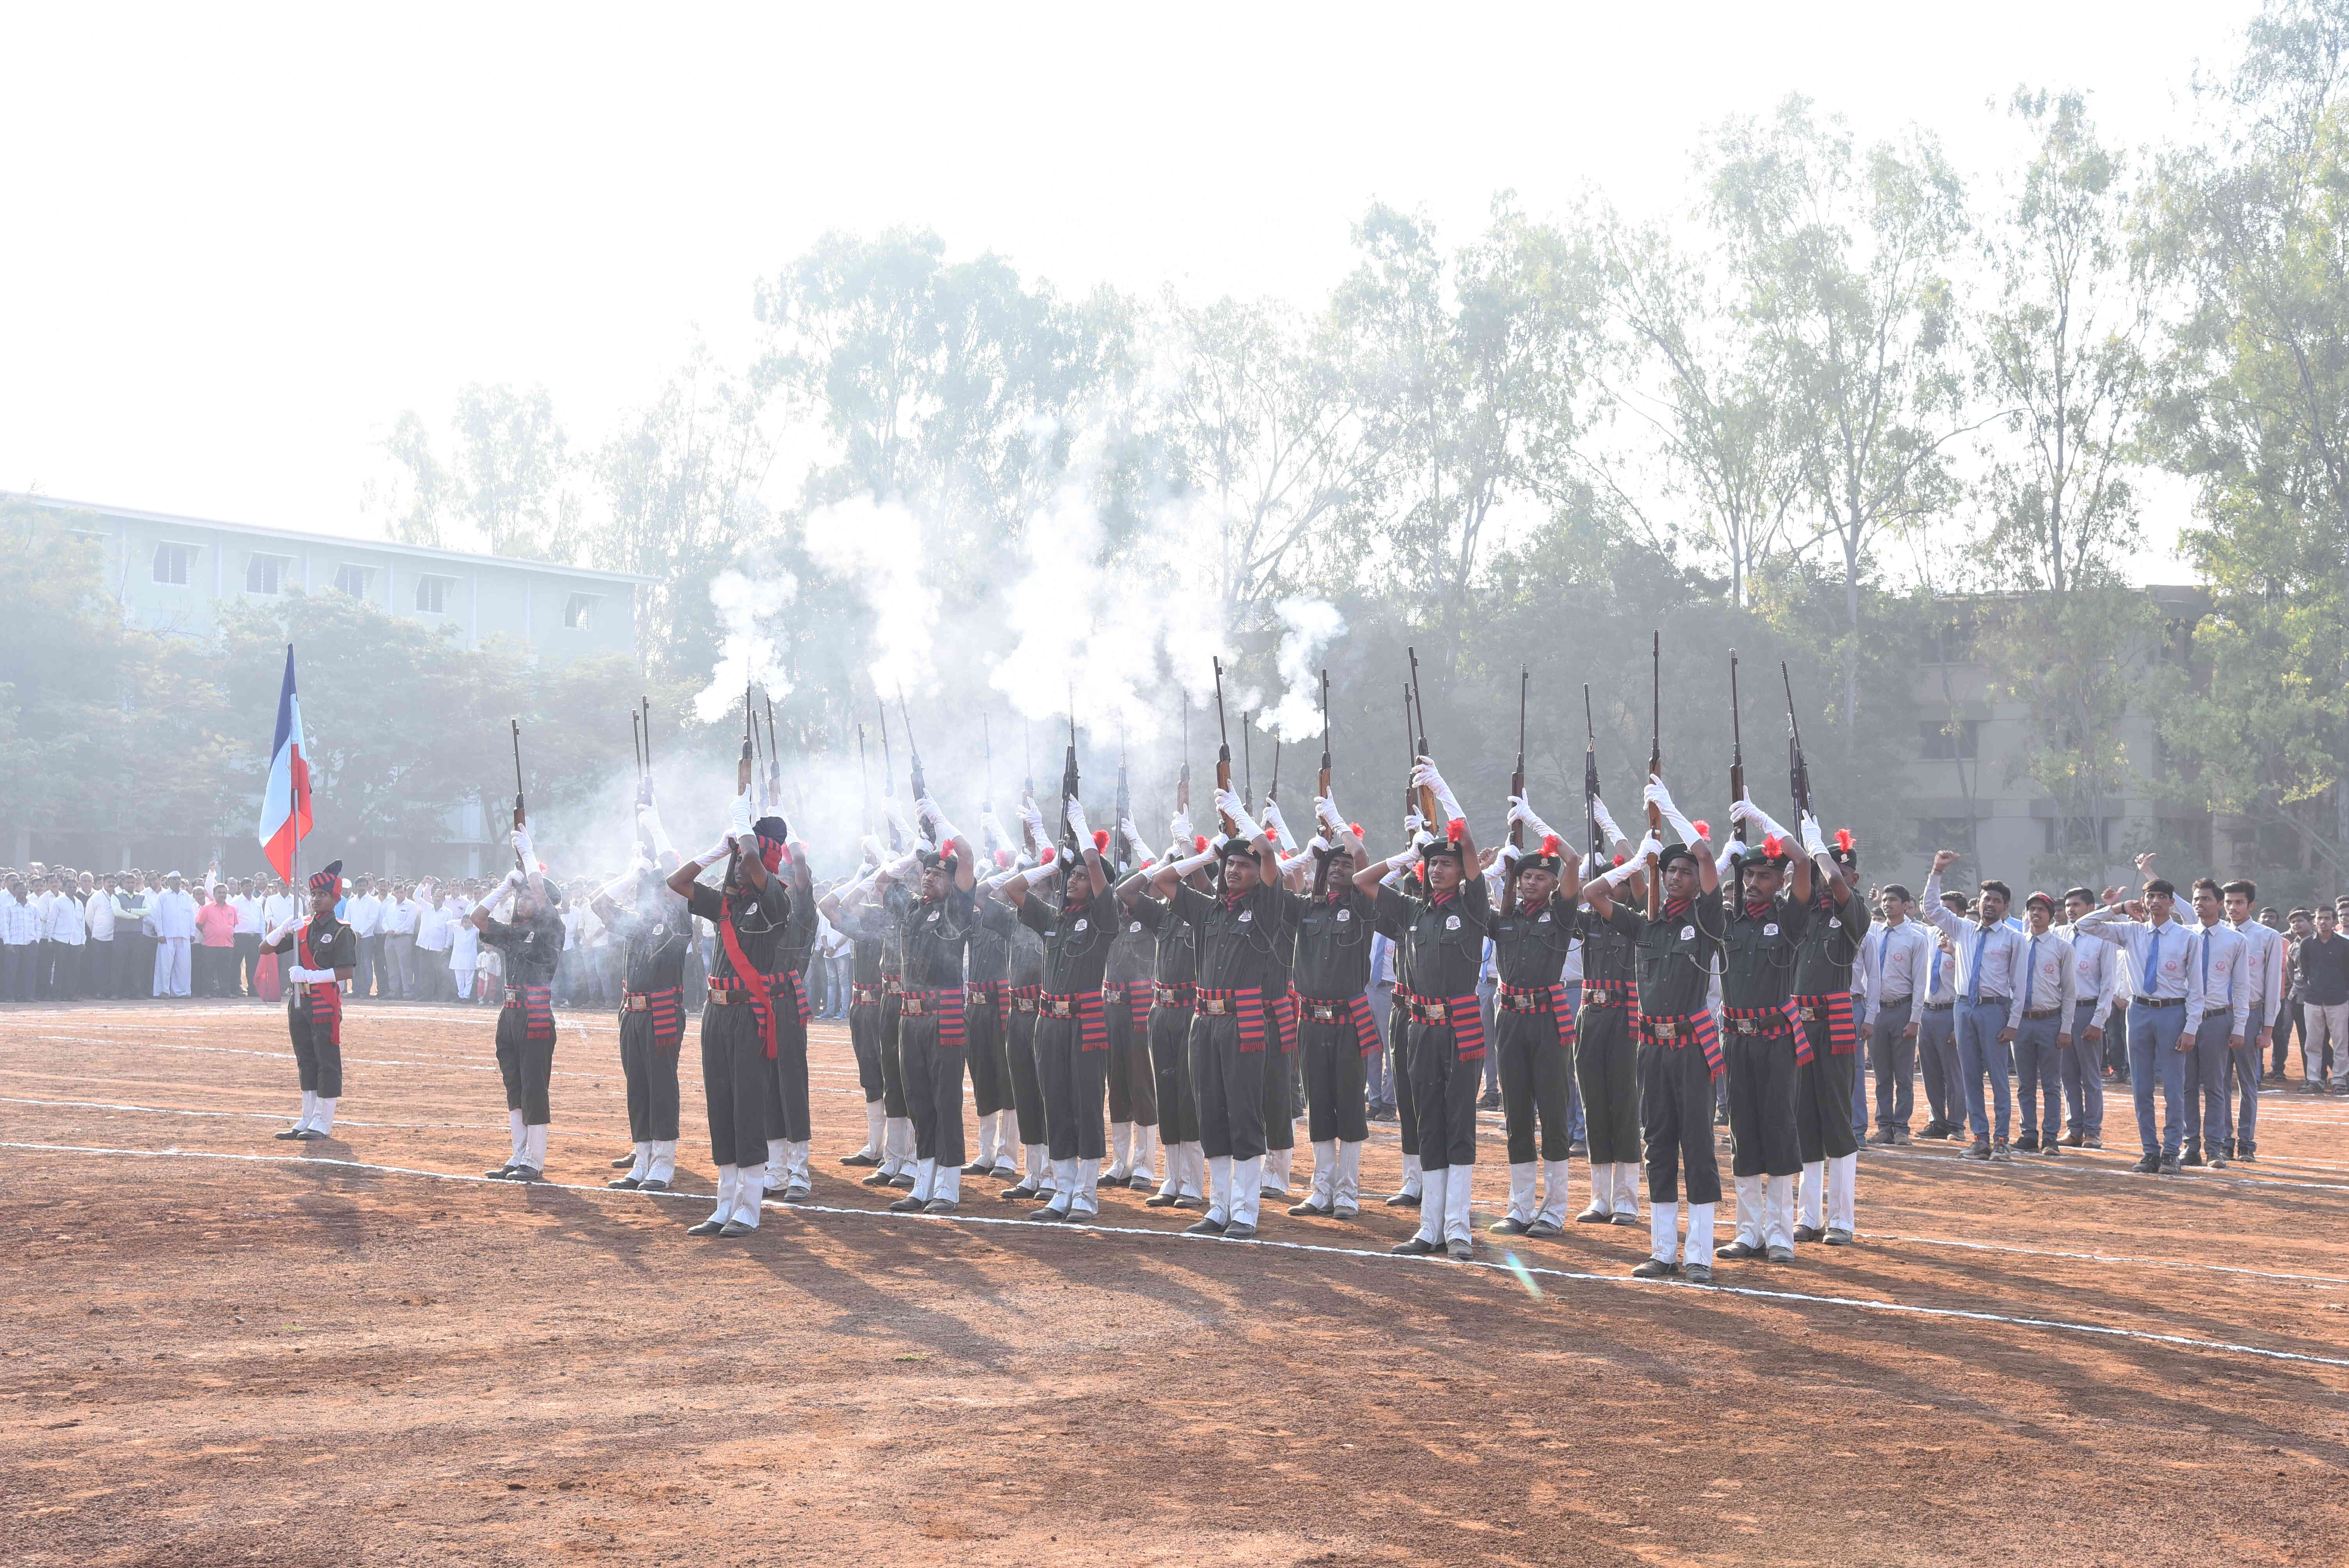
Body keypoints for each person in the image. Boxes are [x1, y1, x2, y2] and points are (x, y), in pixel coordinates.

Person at [1580, 784, 1724, 1285]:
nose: (1676, 877)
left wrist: (1670, 809)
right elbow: (1593, 894)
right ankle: (1663, 1251)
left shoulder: (1706, 921)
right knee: (1657, 1144)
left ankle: (1700, 1254)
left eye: (1684, 871)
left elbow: (1706, 856)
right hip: (1652, 1048)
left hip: (1691, 1047)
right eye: (1669, 871)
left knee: (1697, 1145)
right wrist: (1638, 859)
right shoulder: (1646, 926)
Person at [1356, 759, 1488, 1263]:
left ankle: (1457, 1228)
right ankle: (1429, 1227)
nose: (1437, 870)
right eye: (1431, 864)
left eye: (1446, 864)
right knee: (1427, 1122)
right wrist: (1405, 854)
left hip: (1460, 1027)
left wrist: (1443, 790)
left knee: (1459, 1125)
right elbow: (1364, 881)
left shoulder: (1472, 908)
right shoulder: (1412, 910)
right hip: (1419, 1028)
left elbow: (1469, 846)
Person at [1150, 796, 1287, 1239]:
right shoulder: (1207, 908)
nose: (1234, 870)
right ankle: (1219, 1207)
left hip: (1243, 1021)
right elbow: (1161, 879)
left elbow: (1270, 857)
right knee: (1210, 1112)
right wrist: (1207, 854)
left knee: (1243, 1113)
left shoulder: (1265, 908)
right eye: (1229, 864)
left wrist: (1244, 821)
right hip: (1203, 1022)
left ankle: (1246, 1210)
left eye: (1243, 865)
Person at [667, 796, 789, 1236]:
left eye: (742, 858)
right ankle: (723, 1205)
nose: (739, 864)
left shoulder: (776, 901)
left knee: (748, 1107)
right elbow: (677, 881)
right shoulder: (726, 904)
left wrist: (743, 827)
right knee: (720, 1105)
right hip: (716, 1015)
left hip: (748, 1016)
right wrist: (718, 849)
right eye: (734, 860)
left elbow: (754, 858)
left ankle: (750, 1207)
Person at [999, 793, 1119, 1222]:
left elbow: (1099, 872)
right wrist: (1054, 866)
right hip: (1049, 1023)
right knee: (1056, 1104)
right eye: (1072, 877)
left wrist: (1083, 835)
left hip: (1085, 1024)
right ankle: (1063, 1190)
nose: (1074, 882)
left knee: (1086, 1105)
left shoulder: (1104, 919)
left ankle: (1086, 1193)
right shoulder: (1053, 918)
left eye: (1082, 878)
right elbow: (1012, 888)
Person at [1706, 797, 1815, 1262]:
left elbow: (1804, 862)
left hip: (1775, 1039)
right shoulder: (1725, 921)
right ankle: (1747, 1232)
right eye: (1748, 874)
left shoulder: (1787, 920)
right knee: (1742, 1132)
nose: (1753, 882)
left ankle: (1780, 1234)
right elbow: (1695, 894)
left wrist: (1757, 816)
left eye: (1764, 876)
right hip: (1736, 1039)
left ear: (1779, 881)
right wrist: (1721, 858)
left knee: (1779, 1129)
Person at [1477, 803, 1584, 1239]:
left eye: (1540, 876)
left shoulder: (1560, 915)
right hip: (1511, 1020)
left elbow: (1574, 862)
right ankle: (1519, 1207)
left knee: (1554, 1113)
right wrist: (1489, 868)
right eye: (1524, 876)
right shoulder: (1504, 918)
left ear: (1553, 883)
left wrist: (1535, 820)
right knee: (1517, 1114)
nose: (1530, 881)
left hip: (1547, 1019)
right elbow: (1469, 898)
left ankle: (1554, 1209)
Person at [1278, 800, 1380, 1222]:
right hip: (1310, 1020)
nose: (1338, 867)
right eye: (1332, 863)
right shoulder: (1306, 907)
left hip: (1348, 1020)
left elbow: (1364, 860)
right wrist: (1309, 851)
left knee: (1349, 1105)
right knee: (1319, 1103)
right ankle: (1321, 1189)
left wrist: (1338, 825)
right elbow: (1276, 882)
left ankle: (1347, 1191)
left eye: (1344, 864)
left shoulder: (1362, 906)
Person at [2073, 864, 2204, 1174]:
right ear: (2143, 901)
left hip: (2173, 1011)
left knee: (2173, 1085)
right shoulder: (2130, 932)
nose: (2155, 902)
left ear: (2172, 902)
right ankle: (2150, 1152)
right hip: (2139, 1011)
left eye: (2162, 897)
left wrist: (2191, 1027)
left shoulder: (2187, 938)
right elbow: (2083, 924)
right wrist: (2118, 908)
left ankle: (2171, 1152)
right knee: (2141, 1085)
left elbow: (2198, 988)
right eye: (2150, 897)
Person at [890, 796, 978, 1213]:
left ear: (951, 881)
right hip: (910, 1018)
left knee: (945, 1101)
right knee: (918, 1100)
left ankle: (948, 1185)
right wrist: (914, 852)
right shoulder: (914, 909)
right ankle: (922, 1182)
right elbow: (880, 885)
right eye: (926, 872)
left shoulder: (956, 910)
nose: (928, 877)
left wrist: (940, 819)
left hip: (944, 1017)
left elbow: (967, 857)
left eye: (937, 873)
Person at [593, 834, 690, 1194]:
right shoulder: (635, 923)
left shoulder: (679, 922)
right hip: (631, 1013)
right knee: (637, 1086)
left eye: (654, 889)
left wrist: (656, 833)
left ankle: (663, 1162)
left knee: (661, 1085)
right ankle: (642, 1159)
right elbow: (600, 904)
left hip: (662, 1011)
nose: (646, 895)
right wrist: (634, 873)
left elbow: (680, 888)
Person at [1919, 854, 2030, 1162]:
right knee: (1970, 1076)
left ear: (2006, 907)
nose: (1990, 904)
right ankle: (1980, 1139)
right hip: (1963, 1008)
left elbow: (2020, 985)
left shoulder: (2014, 939)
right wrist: (1937, 871)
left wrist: (2013, 1023)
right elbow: (1931, 909)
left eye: (1996, 901)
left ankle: (2002, 1140)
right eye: (1986, 899)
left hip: (1995, 1010)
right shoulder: (1963, 930)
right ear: (1978, 903)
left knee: (1998, 1077)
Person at [468, 836, 567, 1184]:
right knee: (514, 1086)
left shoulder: (551, 929)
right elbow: (478, 917)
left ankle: (534, 1161)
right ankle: (518, 1154)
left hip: (535, 1014)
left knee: (534, 1088)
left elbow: (540, 894)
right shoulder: (515, 932)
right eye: (520, 896)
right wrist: (504, 887)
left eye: (528, 897)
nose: (523, 900)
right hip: (509, 1014)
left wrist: (528, 854)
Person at [1125, 816, 1208, 1210]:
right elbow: (1125, 892)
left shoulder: (1206, 909)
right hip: (1161, 1010)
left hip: (1191, 1010)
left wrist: (1189, 850)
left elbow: (1202, 885)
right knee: (1168, 1094)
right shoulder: (1163, 913)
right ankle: (1172, 1179)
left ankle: (1192, 1182)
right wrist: (1157, 862)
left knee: (1189, 1098)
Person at [262, 861, 358, 1139]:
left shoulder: (341, 931)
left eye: (323, 895)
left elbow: (347, 971)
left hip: (323, 1002)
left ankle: (323, 1121)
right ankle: (307, 1118)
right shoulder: (302, 927)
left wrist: (310, 976)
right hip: (299, 1002)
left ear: (335, 899)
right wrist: (282, 929)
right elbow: (265, 948)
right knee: (305, 1059)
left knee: (327, 1060)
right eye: (313, 894)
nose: (316, 899)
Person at [1101, 826, 1163, 1194]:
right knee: (1118, 1088)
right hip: (1113, 1010)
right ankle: (1120, 1162)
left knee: (1142, 1088)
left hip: (1141, 1010)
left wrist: (1140, 847)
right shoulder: (1113, 922)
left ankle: (1144, 1165)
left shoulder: (1153, 918)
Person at [2179, 878, 2250, 1169]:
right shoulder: (2183, 935)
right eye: (2196, 899)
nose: (2200, 903)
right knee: (2186, 1085)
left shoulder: (2236, 940)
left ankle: (2216, 1148)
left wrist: (2240, 1026)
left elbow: (2242, 986)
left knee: (2216, 1086)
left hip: (2217, 1019)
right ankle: (2190, 1146)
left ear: (2220, 904)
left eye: (2206, 899)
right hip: (2184, 1020)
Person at [2007, 893, 2078, 1159]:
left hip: (2050, 1021)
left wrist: (2066, 1028)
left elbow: (2069, 991)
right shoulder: (2017, 944)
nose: (2036, 914)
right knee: (2025, 1084)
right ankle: (2028, 1134)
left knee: (2051, 1084)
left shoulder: (2062, 948)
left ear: (2051, 915)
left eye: (2041, 910)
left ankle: (2050, 1137)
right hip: (2022, 1021)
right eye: (2032, 909)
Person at [1861, 884, 1931, 1145]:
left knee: (1903, 1075)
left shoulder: (1915, 938)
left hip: (1902, 1010)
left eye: (1893, 900)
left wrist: (1915, 1020)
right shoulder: (1872, 933)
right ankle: (1884, 1126)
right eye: (1885, 900)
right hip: (1876, 1010)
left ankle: (1901, 1128)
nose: (1888, 904)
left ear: (1906, 905)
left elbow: (1920, 982)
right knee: (1881, 1074)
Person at [2222, 879, 2285, 1161]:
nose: (2233, 908)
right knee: (2218, 1082)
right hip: (2218, 1014)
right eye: (2228, 902)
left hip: (2250, 1013)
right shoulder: (2216, 932)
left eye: (2239, 902)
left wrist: (2267, 1029)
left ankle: (2246, 1142)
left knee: (2247, 1082)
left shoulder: (2267, 936)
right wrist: (2148, 873)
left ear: (2251, 905)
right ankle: (2223, 1140)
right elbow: (2188, 909)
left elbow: (2273, 985)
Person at [2057, 887, 2122, 1147]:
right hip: (2062, 1012)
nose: (2071, 910)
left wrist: (2098, 1021)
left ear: (2091, 908)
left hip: (2087, 1011)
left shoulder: (2102, 938)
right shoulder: (2059, 935)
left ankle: (2093, 1131)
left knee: (2091, 1076)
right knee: (2067, 1074)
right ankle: (2074, 1129)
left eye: (2077, 905)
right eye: (2068, 905)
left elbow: (2108, 984)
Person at [2296, 905, 2349, 1093]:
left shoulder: (2344, 945)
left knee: (2341, 1042)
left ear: (2334, 921)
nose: (2323, 922)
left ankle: (2340, 1080)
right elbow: (2304, 972)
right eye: (2320, 918)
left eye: (2327, 918)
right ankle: (2314, 1080)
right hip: (2313, 1000)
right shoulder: (2307, 944)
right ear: (2315, 921)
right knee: (2313, 1043)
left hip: (2339, 1000)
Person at [148, 870, 197, 998]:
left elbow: (191, 915)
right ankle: (163, 991)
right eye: (174, 879)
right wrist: (160, 933)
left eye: (179, 879)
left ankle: (181, 992)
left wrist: (192, 932)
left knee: (183, 966)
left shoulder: (186, 896)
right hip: (167, 937)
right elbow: (158, 916)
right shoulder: (163, 896)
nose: (177, 881)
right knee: (164, 966)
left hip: (184, 936)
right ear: (168, 881)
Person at [195, 875, 237, 996]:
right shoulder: (206, 908)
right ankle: (207, 992)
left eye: (224, 893)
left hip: (227, 944)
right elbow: (199, 924)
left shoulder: (232, 909)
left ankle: (225, 991)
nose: (222, 895)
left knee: (225, 970)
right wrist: (209, 933)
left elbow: (234, 925)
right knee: (209, 970)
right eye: (220, 893)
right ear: (214, 894)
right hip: (210, 944)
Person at [0, 876, 37, 1002]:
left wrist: (36, 940)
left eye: (25, 889)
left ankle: (28, 996)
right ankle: (10, 996)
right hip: (14, 943)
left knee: (29, 970)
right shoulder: (9, 907)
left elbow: (37, 926)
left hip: (30, 943)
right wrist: (7, 943)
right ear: (15, 891)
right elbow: (5, 926)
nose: (23, 892)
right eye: (20, 889)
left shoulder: (33, 907)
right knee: (11, 971)